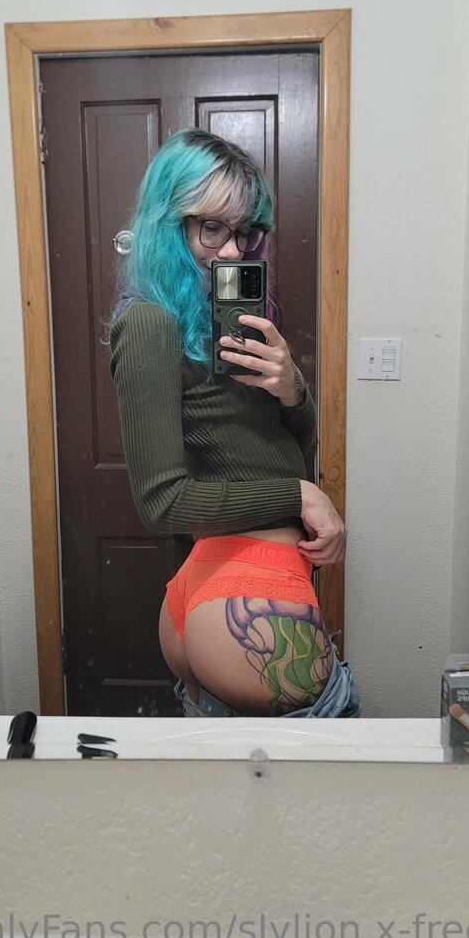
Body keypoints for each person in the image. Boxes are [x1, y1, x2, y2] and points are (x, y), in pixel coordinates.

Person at [109, 128, 361, 718]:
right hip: (247, 587)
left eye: (245, 231)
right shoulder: (149, 322)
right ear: (169, 224)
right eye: (211, 228)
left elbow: (289, 443)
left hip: (232, 590)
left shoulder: (226, 320)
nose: (231, 252)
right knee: (334, 762)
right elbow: (163, 503)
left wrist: (290, 388)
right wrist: (299, 496)